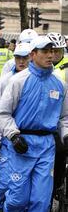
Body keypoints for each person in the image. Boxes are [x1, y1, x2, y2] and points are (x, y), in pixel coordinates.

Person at [0, 36, 68, 212]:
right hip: (22, 146)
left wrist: (66, 135)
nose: (49, 55)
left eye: (52, 51)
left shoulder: (60, 84)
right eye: (44, 51)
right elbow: (2, 113)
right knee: (18, 198)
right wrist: (13, 135)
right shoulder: (19, 81)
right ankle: (9, 211)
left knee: (41, 198)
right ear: (33, 54)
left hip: (47, 145)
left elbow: (64, 118)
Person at [0, 42, 31, 212]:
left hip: (26, 140)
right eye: (18, 57)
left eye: (25, 57)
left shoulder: (37, 80)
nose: (21, 61)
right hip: (5, 139)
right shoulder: (5, 81)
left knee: (23, 182)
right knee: (5, 180)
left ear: (32, 56)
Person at [47, 33, 68, 200]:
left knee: (62, 150)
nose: (54, 55)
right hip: (46, 119)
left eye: (58, 51)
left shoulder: (66, 68)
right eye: (51, 51)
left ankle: (58, 185)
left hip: (63, 117)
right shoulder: (42, 67)